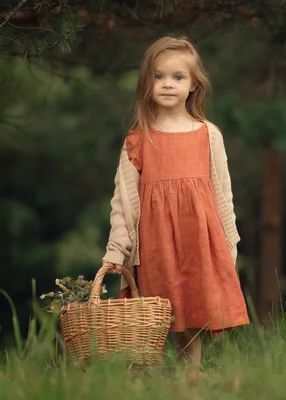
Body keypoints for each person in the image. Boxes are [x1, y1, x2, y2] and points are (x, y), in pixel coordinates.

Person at [101, 35, 250, 368]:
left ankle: (191, 379)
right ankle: (148, 377)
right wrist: (117, 247)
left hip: (197, 238)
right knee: (153, 314)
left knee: (193, 309)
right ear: (146, 83)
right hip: (156, 245)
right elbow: (122, 201)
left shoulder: (208, 134)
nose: (167, 84)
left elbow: (223, 192)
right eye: (159, 76)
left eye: (177, 77)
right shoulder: (138, 138)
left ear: (194, 84)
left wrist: (228, 241)